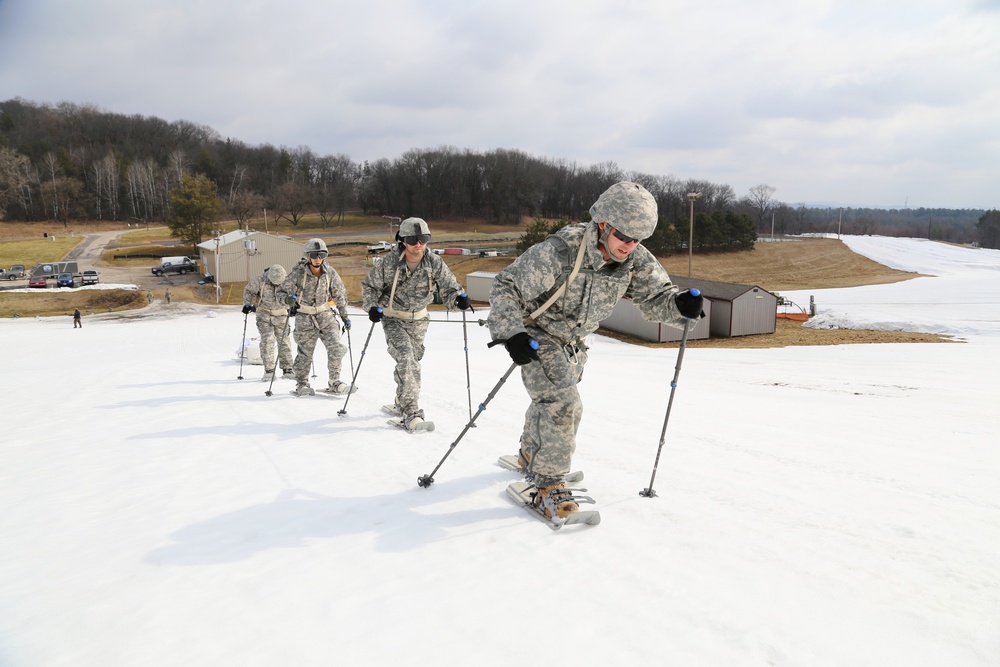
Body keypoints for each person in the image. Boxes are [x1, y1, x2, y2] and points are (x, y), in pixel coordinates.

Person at [488, 181, 704, 520]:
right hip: (537, 334)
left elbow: (656, 297)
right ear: (603, 224)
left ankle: (531, 454)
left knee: (550, 400)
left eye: (638, 239)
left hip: (574, 342)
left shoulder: (634, 259)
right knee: (563, 403)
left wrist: (680, 306)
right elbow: (506, 286)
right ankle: (548, 485)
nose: (629, 246)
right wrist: (511, 333)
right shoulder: (561, 251)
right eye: (624, 236)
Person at [361, 217, 470, 431]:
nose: (418, 244)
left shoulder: (434, 262)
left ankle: (401, 398)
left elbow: (450, 288)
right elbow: (369, 287)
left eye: (423, 238)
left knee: (413, 361)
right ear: (402, 240)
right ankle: (411, 412)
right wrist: (372, 307)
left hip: (419, 320)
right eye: (412, 239)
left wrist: (458, 300)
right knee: (406, 359)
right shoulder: (390, 262)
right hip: (394, 318)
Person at [277, 238, 353, 396]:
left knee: (336, 348)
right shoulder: (298, 274)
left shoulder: (330, 273)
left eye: (321, 255)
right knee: (305, 354)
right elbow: (280, 293)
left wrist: (344, 316)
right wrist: (288, 300)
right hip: (305, 318)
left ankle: (334, 380)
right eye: (314, 255)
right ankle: (302, 383)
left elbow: (339, 295)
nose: (318, 259)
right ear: (307, 256)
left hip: (326, 317)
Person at [243, 265, 294, 382]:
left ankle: (287, 369)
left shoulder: (288, 281)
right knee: (267, 340)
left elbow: (295, 295)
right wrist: (247, 304)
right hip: (264, 314)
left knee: (284, 341)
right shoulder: (260, 280)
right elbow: (248, 290)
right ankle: (269, 370)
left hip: (281, 314)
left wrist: (294, 305)